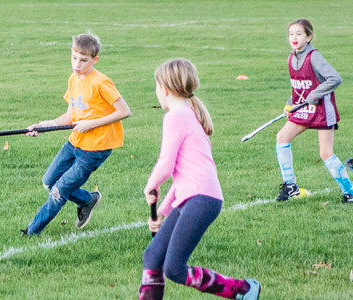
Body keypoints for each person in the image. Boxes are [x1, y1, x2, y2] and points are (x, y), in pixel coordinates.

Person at [139, 59, 259, 300]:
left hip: (200, 200)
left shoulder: (176, 117)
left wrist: (150, 184)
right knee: (152, 256)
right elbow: (183, 177)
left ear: (164, 88)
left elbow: (166, 163)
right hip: (193, 197)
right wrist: (162, 211)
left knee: (174, 269)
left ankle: (243, 289)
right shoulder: (189, 115)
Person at [21, 34, 131, 235]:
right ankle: (87, 200)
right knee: (49, 181)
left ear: (94, 60)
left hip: (95, 149)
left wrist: (91, 124)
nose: (77, 64)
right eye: (74, 58)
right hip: (75, 142)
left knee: (58, 191)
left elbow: (124, 111)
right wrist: (43, 126)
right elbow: (71, 115)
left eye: (84, 60)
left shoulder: (101, 82)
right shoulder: (73, 79)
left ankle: (31, 232)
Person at [274, 18, 352, 203]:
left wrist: (314, 95)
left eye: (299, 34)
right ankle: (290, 186)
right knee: (281, 138)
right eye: (291, 34)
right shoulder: (291, 58)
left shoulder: (314, 57)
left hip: (322, 110)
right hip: (302, 110)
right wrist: (289, 104)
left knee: (325, 153)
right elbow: (298, 87)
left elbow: (335, 78)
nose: (294, 37)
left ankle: (350, 192)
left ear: (308, 37)